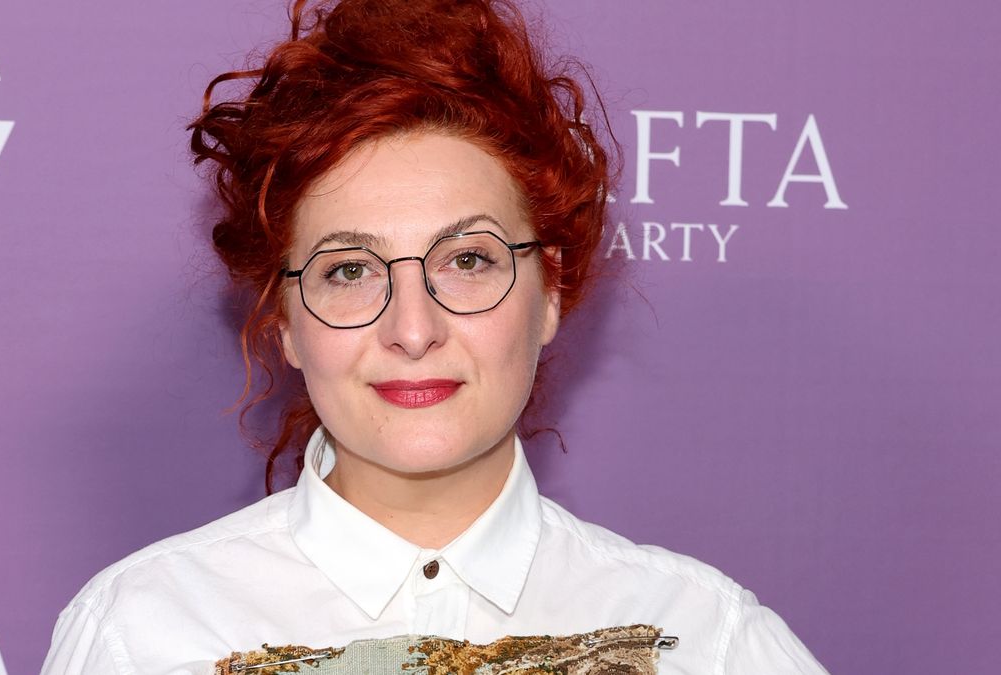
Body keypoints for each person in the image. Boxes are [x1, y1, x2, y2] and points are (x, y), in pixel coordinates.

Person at [41, 1, 829, 673]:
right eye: (349, 270)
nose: (413, 329)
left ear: (550, 291)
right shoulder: (141, 634)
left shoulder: (707, 640)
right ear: (284, 321)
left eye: (468, 260)